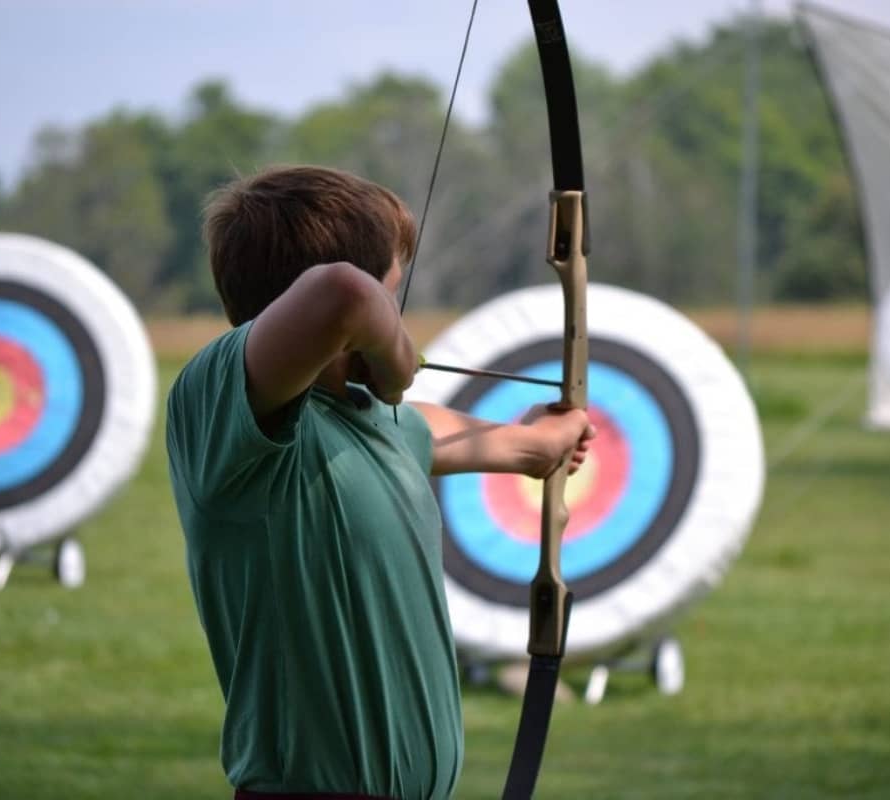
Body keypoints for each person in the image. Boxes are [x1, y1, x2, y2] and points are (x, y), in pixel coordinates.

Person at [165, 165, 594, 800]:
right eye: (393, 294)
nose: (396, 314)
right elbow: (341, 293)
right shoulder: (223, 411)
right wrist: (396, 361)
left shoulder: (370, 421)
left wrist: (533, 444)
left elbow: (421, 426)